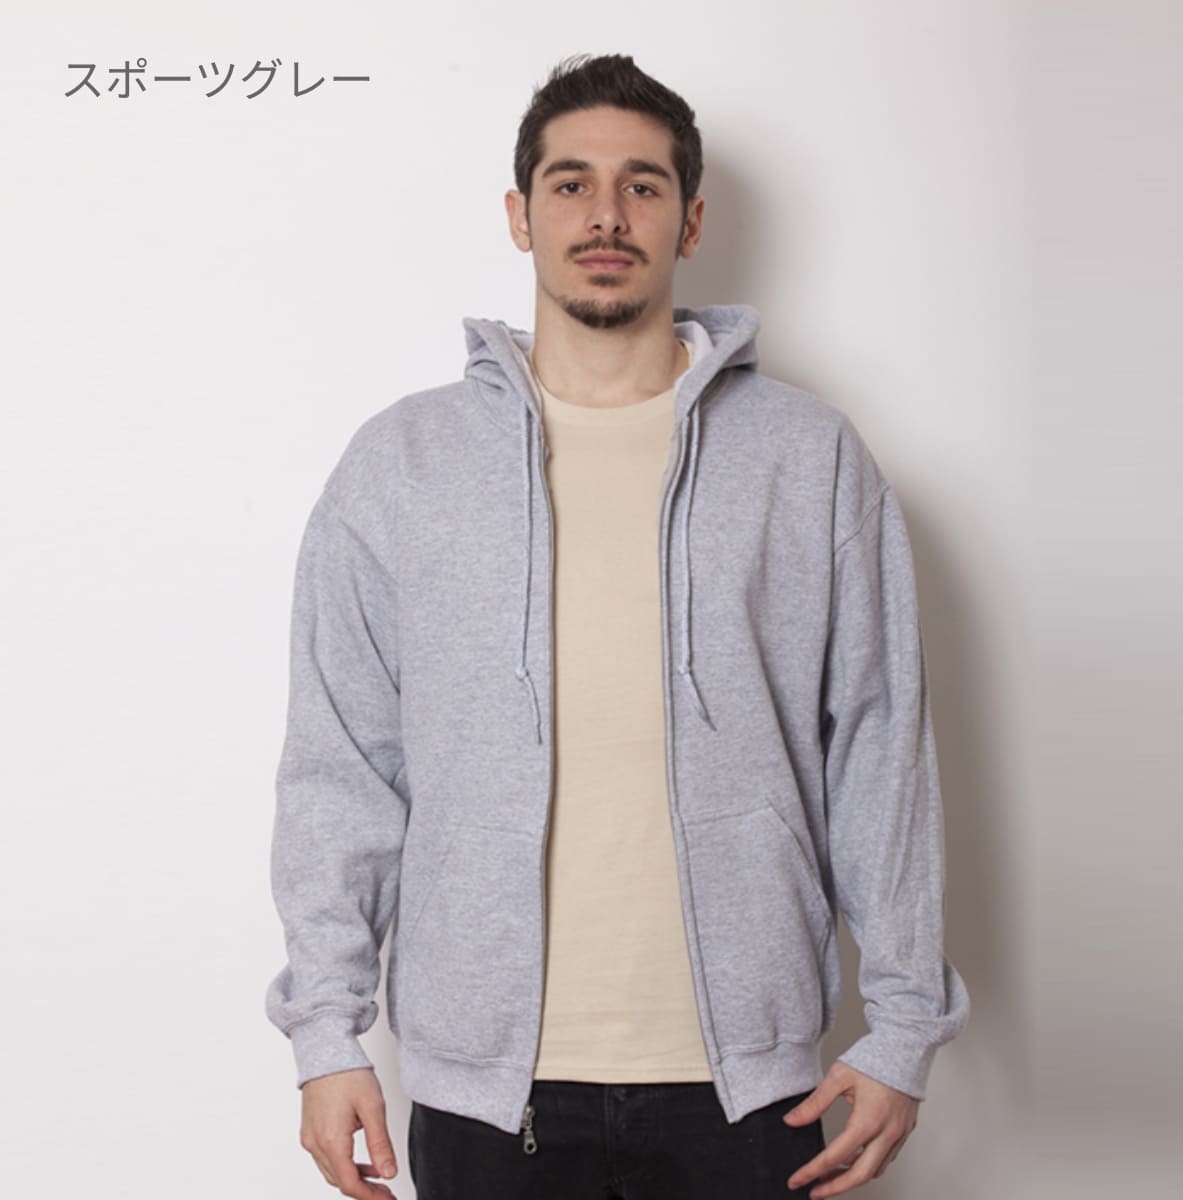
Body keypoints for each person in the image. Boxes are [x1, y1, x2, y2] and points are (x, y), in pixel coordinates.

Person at [265, 52, 970, 1200]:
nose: (605, 215)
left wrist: (902, 1026)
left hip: (750, 1085)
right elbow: (341, 767)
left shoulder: (809, 459)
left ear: (690, 221)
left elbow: (880, 748)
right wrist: (325, 1032)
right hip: (488, 1090)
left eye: (642, 186)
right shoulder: (403, 466)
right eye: (571, 184)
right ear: (520, 216)